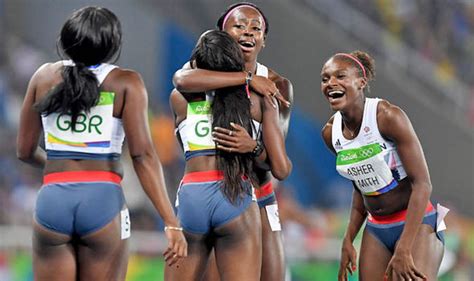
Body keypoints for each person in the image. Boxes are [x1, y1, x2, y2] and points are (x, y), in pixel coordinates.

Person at [16, 6, 186, 281]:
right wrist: (170, 220)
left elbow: (24, 151)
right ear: (113, 46)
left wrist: (59, 167)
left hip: (53, 200)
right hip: (102, 200)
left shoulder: (43, 77)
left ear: (66, 41)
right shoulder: (126, 83)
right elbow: (143, 156)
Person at [173, 3, 294, 280]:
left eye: (256, 29)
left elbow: (276, 163)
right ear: (223, 33)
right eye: (239, 26)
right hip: (214, 191)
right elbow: (180, 80)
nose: (248, 33)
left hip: (258, 194)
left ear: (264, 39)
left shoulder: (276, 86)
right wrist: (247, 80)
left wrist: (251, 147)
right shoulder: (196, 72)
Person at [320, 51, 447, 281]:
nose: (331, 83)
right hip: (377, 229)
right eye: (325, 78)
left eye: (340, 76)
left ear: (361, 82)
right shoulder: (331, 134)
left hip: (415, 225)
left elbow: (423, 185)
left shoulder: (387, 117)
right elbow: (361, 188)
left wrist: (405, 247)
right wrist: (348, 238)